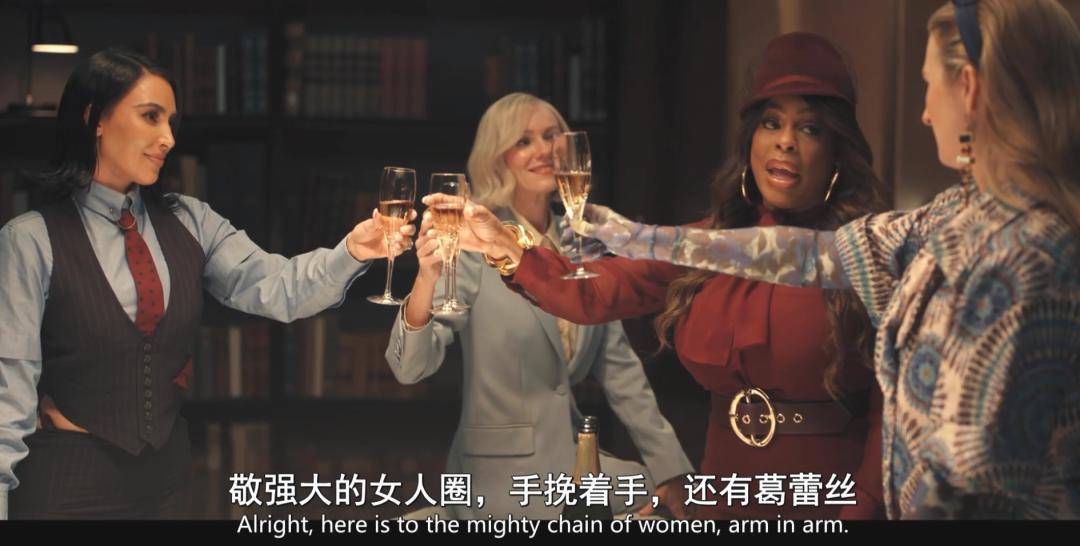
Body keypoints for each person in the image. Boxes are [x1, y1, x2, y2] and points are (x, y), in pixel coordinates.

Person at [553, 0, 1080, 519]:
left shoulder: (1023, 254)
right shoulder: (955, 214)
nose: (924, 111)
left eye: (928, 83)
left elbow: (969, 481)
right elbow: (811, 256)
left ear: (968, 87)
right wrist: (638, 238)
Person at [444, 34, 888, 519]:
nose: (785, 140)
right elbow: (593, 293)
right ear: (751, 142)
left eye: (809, 128)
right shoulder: (707, 244)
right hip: (723, 490)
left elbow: (892, 409)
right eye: (771, 122)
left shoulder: (866, 254)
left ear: (837, 151)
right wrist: (507, 247)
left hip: (827, 495)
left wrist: (863, 507)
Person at [0, 48, 414, 519]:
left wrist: (353, 250)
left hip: (167, 484)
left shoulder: (191, 221)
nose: (168, 138)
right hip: (67, 484)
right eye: (150, 117)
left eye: (171, 121)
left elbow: (280, 288)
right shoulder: (30, 240)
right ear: (94, 118)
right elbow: (7, 393)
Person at [386, 92, 693, 519]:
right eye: (524, 141)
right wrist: (424, 281)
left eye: (552, 136)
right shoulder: (475, 242)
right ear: (498, 158)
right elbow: (410, 368)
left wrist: (671, 470)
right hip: (496, 473)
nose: (544, 150)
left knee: (651, 490)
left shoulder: (584, 244)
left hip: (573, 461)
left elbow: (621, 370)